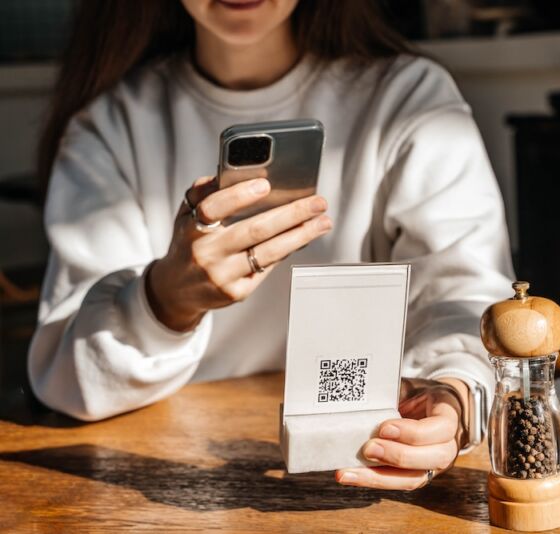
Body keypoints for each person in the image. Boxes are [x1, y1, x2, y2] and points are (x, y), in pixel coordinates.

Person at [29, 0, 514, 491]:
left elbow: (464, 293)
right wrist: (164, 301)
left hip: (360, 464)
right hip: (164, 480)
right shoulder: (111, 126)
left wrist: (453, 393)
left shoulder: (408, 97)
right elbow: (66, 381)